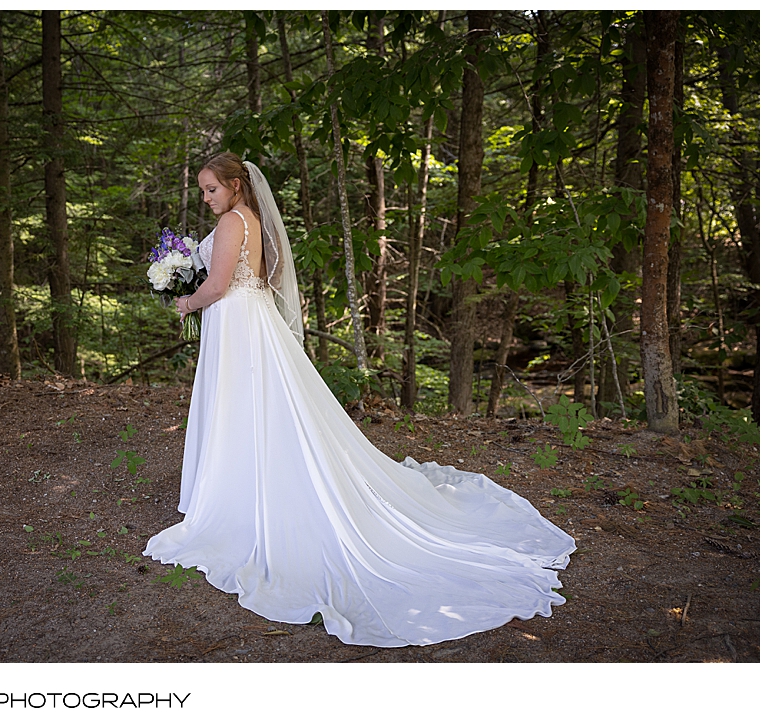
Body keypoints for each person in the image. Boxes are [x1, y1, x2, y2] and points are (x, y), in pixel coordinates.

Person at [144, 152, 576, 648]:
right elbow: (255, 280)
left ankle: (242, 492)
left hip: (237, 323)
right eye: (202, 190)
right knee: (263, 408)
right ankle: (252, 479)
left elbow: (217, 286)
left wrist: (185, 301)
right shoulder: (253, 220)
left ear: (236, 187)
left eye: (211, 190)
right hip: (252, 319)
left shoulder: (229, 226)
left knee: (243, 407)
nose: (206, 198)